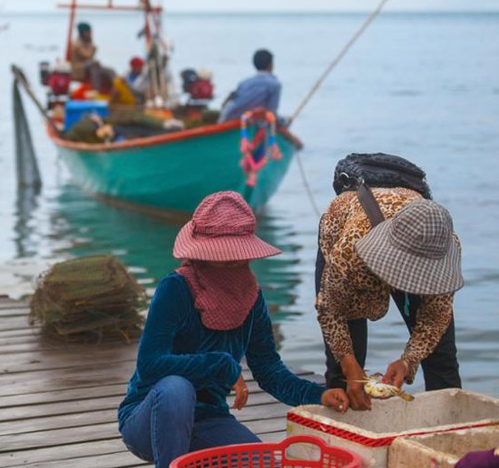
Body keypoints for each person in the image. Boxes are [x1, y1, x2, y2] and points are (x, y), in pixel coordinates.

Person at [119, 192, 349, 468]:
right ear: (201, 254)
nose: (232, 263)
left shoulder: (251, 296)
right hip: (151, 415)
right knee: (176, 389)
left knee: (266, 463)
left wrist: (319, 394)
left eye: (237, 257)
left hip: (208, 419)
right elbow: (150, 365)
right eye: (223, 257)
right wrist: (221, 365)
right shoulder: (175, 289)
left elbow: (268, 370)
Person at [315, 154, 463, 411]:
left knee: (441, 357)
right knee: (344, 368)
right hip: (356, 237)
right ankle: (341, 437)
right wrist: (351, 367)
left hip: (416, 236)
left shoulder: (443, 244)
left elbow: (436, 316)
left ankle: (449, 432)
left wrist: (408, 361)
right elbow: (331, 311)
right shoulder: (351, 249)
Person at [219, 49, 283, 123]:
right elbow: (271, 113)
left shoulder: (243, 83)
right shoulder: (275, 84)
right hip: (249, 122)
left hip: (230, 118)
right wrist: (284, 122)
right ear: (270, 65)